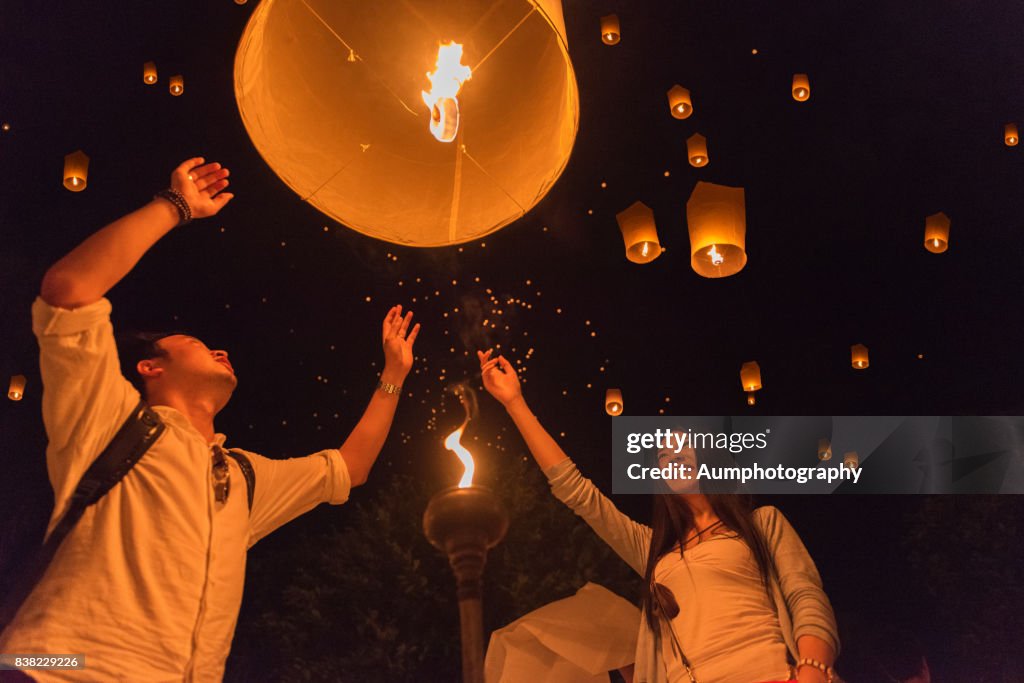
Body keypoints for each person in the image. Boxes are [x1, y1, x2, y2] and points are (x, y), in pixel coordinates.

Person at [0, 158, 420, 682]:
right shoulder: (108, 419)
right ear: (150, 367)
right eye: (197, 343)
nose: (219, 349)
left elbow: (350, 468)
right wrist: (174, 207)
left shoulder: (243, 478)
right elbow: (67, 292)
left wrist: (394, 374)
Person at [477, 350, 840, 683]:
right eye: (663, 455)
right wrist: (515, 404)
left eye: (683, 447)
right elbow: (578, 493)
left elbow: (804, 595)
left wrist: (812, 670)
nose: (671, 456)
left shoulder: (761, 523)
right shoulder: (651, 548)